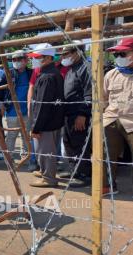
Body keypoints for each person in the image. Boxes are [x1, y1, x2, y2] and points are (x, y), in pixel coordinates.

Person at [28, 43, 65, 187]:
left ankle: (48, 178)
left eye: (38, 57)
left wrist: (36, 127)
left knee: (45, 150)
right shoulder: (51, 73)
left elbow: (43, 104)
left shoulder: (47, 76)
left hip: (46, 122)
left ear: (48, 58)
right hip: (53, 120)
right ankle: (46, 171)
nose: (34, 60)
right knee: (48, 150)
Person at [59, 41, 92, 187]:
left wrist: (82, 114)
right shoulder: (72, 68)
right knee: (69, 142)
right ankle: (74, 170)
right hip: (69, 113)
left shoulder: (86, 67)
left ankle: (83, 175)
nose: (63, 57)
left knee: (79, 144)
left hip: (79, 114)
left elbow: (89, 93)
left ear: (77, 52)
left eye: (66, 54)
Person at [102, 37, 133, 195]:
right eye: (116, 55)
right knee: (105, 155)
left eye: (123, 53)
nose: (119, 58)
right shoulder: (111, 75)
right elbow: (102, 99)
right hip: (111, 120)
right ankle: (107, 186)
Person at [0, 50, 33, 166]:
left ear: (26, 60)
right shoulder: (8, 73)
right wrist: (5, 103)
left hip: (27, 111)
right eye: (14, 60)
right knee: (11, 135)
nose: (16, 61)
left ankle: (25, 158)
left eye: (19, 59)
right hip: (12, 111)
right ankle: (9, 158)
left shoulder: (31, 73)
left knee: (26, 135)